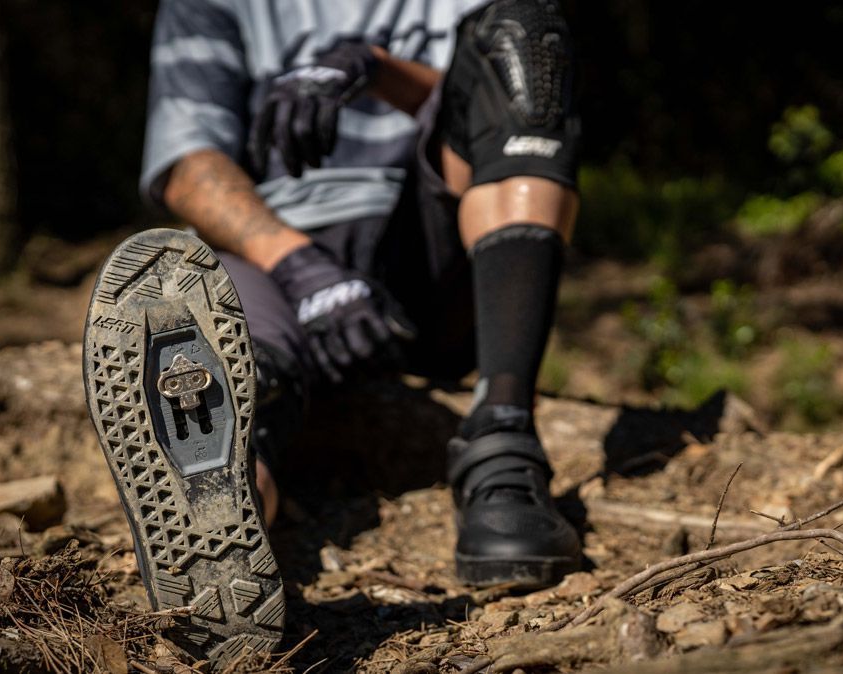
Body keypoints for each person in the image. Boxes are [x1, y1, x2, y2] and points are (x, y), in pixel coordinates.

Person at [83, 0, 582, 663]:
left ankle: (504, 450)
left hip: (433, 248)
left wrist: (373, 69)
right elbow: (188, 165)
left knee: (522, 41)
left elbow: (504, 120)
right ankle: (220, 545)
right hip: (275, 247)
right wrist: (303, 265)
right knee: (236, 386)